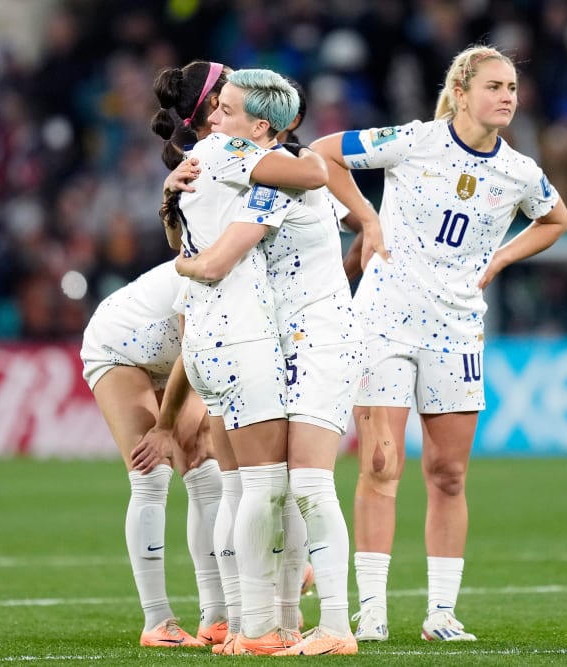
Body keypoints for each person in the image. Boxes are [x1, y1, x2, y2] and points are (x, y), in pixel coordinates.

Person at [311, 44, 567, 642]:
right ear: (460, 93)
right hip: (384, 319)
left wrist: (504, 255)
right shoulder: (415, 140)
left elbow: (556, 219)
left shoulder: (520, 172)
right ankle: (371, 610)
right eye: (495, 86)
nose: (507, 96)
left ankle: (441, 614)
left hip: (456, 331)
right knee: (381, 462)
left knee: (448, 473)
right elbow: (325, 155)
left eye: (512, 87)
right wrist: (367, 220)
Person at [172, 70, 362, 656]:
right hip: (284, 341)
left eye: (225, 111)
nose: (213, 121)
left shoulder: (273, 183)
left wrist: (185, 262)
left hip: (318, 342)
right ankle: (281, 623)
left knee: (302, 483)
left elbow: (215, 261)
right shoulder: (253, 173)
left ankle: (332, 625)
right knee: (274, 486)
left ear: (259, 128)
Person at [79, 59, 232, 649]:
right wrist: (165, 423)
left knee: (206, 468)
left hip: (178, 343)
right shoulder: (209, 175)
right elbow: (199, 325)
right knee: (153, 470)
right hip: (124, 341)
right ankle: (157, 620)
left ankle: (216, 615)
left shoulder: (218, 171)